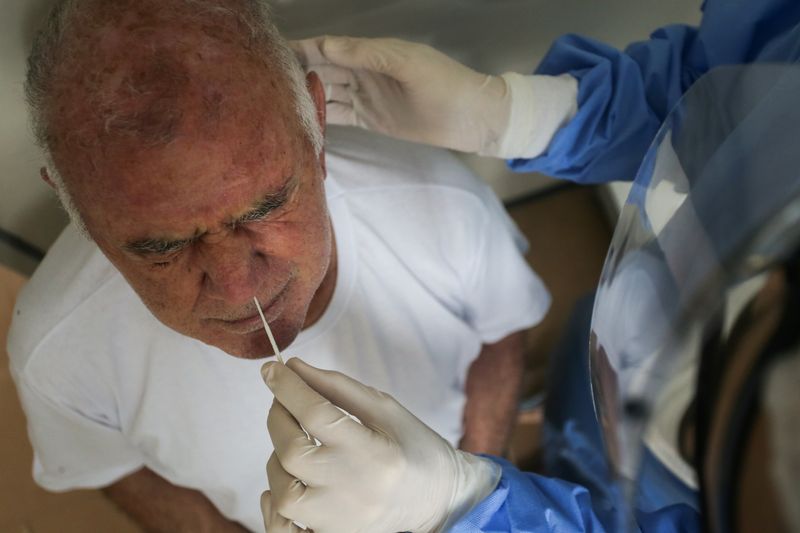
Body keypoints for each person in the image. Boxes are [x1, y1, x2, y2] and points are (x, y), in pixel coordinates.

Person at [6, 0, 551, 531]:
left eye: (264, 209)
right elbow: (106, 464)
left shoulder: (440, 205)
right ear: (73, 203)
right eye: (161, 249)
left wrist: (474, 496)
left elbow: (499, 333)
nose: (238, 286)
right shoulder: (57, 350)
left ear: (313, 122)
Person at [259, 0, 800, 531]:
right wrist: (526, 114)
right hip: (637, 334)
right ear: (776, 289)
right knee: (582, 397)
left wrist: (465, 509)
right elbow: (732, 85)